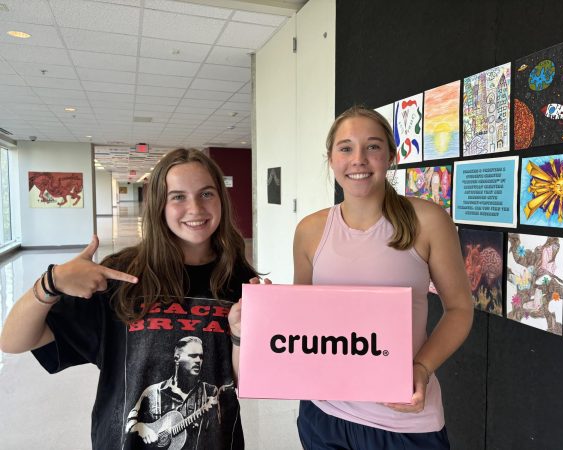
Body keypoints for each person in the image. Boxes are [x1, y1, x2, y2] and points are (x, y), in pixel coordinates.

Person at [0, 148, 257, 450]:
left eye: (206, 194)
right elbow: (12, 341)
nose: (195, 208)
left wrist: (241, 335)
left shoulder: (238, 278)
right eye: (178, 197)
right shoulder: (121, 274)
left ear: (221, 200)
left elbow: (239, 381)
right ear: (159, 205)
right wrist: (51, 283)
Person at [292, 106, 473, 449]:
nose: (358, 159)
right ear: (330, 158)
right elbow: (303, 321)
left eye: (372, 147)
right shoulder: (310, 230)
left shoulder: (428, 220)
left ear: (391, 155)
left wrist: (421, 368)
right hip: (323, 413)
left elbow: (460, 310)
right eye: (345, 148)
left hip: (402, 417)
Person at [126, 336, 234, 449]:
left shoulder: (210, 392)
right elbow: (128, 424)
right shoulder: (152, 392)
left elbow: (219, 436)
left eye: (201, 357)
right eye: (193, 356)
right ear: (177, 358)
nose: (198, 360)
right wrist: (140, 427)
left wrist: (215, 413)